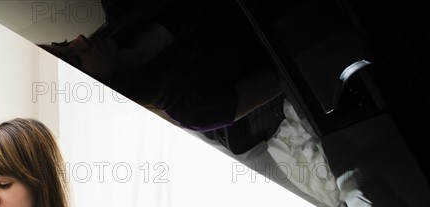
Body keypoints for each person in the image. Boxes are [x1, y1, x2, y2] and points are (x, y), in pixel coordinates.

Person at [39, 0, 283, 133]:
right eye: (76, 60)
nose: (79, 40)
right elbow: (290, 73)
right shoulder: (193, 107)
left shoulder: (120, 5)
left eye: (64, 43)